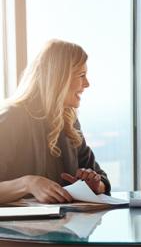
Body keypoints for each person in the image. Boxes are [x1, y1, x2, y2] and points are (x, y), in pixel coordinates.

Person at [0, 39, 111, 204]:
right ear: (59, 78)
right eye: (81, 75)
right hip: (15, 229)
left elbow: (102, 179)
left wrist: (95, 185)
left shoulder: (70, 121)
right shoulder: (12, 118)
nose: (87, 84)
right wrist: (28, 184)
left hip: (65, 226)